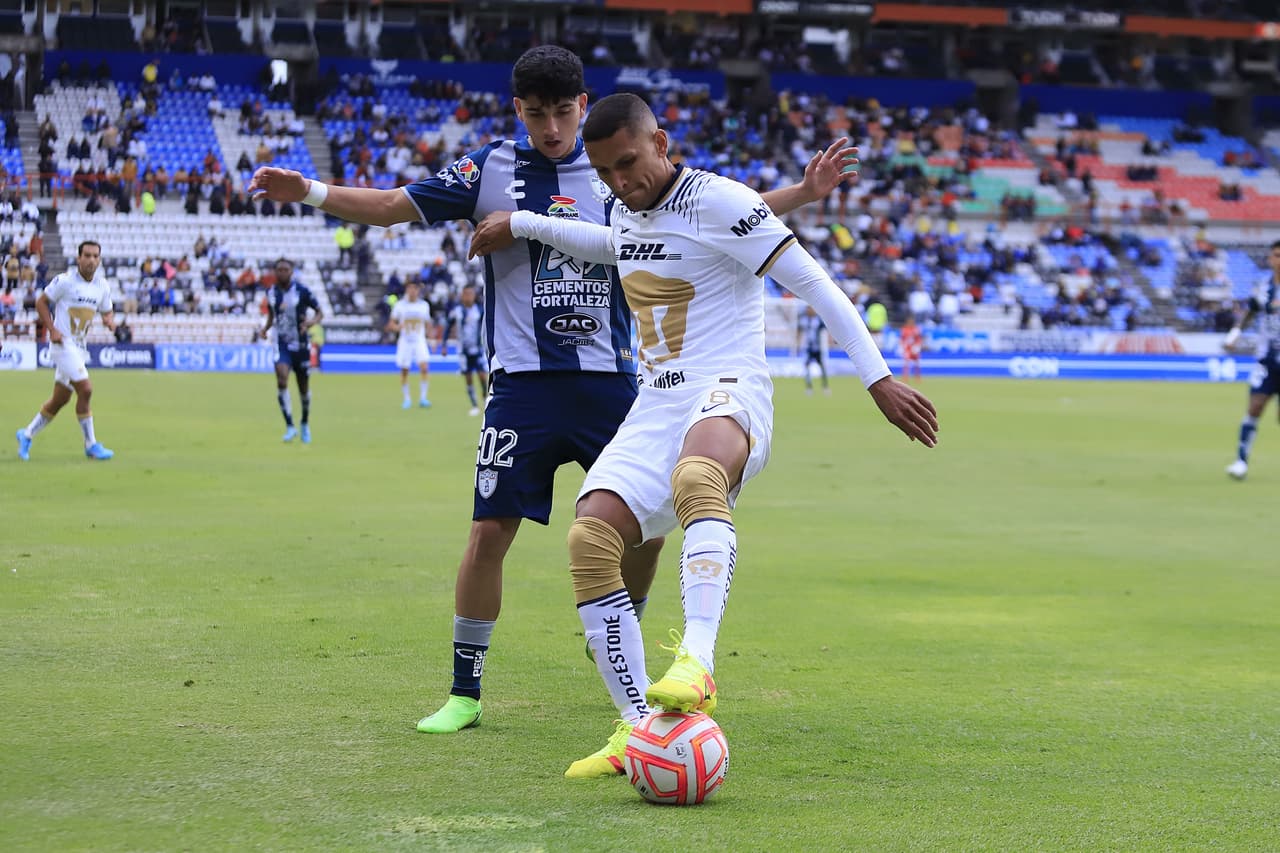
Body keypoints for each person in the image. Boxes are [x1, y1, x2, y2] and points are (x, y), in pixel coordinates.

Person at [246, 45, 856, 736]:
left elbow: (713, 222)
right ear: (518, 110)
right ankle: (464, 691)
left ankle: (621, 648)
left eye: (564, 112)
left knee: (647, 529)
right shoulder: (489, 168)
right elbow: (392, 204)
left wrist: (802, 196)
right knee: (487, 531)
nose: (553, 129)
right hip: (523, 385)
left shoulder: (613, 166)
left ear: (583, 105)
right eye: (538, 115)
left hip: (617, 381)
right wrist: (314, 193)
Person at [468, 93, 937, 778]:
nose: (619, 182)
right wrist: (527, 223)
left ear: (661, 142)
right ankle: (637, 728)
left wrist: (878, 379)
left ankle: (697, 658)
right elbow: (608, 243)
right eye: (604, 173)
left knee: (697, 479)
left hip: (730, 388)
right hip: (655, 405)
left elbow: (818, 285)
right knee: (590, 534)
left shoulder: (720, 200)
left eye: (628, 163)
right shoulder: (626, 207)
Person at [15, 241, 118, 462]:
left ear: (99, 260)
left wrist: (109, 321)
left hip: (80, 348)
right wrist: (51, 329)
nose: (91, 260)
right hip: (63, 345)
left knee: (59, 400)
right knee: (86, 389)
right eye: (87, 256)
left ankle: (26, 434)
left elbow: (107, 311)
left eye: (95, 256)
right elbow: (41, 302)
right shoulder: (65, 281)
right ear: (78, 258)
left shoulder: (102, 286)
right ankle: (91, 445)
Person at [1224, 240, 1280, 480]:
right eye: (1276, 255)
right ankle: (1241, 462)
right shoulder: (1264, 288)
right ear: (1270, 259)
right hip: (1267, 360)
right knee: (1255, 406)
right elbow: (1250, 313)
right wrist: (1234, 334)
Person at [258, 258, 322, 444]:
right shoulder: (271, 293)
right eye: (279, 269)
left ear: (292, 272)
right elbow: (272, 315)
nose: (282, 272)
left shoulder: (302, 291)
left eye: (286, 269)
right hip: (282, 343)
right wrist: (265, 329)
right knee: (282, 378)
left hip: (301, 345)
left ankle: (304, 422)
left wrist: (311, 322)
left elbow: (319, 312)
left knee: (303, 388)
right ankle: (289, 426)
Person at [386, 279, 433, 409]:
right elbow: (391, 324)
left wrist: (431, 338)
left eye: (415, 288)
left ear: (418, 290)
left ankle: (423, 397)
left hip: (419, 340)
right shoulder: (400, 305)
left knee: (424, 367)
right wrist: (397, 327)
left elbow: (428, 323)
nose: (412, 291)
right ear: (407, 290)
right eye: (410, 288)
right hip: (405, 341)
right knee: (405, 369)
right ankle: (407, 399)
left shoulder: (424, 305)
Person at [448, 284, 486, 416]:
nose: (468, 297)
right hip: (463, 351)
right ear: (462, 295)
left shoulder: (480, 310)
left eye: (470, 294)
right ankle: (474, 405)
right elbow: (448, 326)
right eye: (465, 294)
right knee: (468, 377)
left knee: (482, 375)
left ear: (474, 296)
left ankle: (485, 397)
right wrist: (443, 345)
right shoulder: (457, 311)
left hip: (477, 349)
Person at [796, 304, 830, 395]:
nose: (810, 311)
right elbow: (799, 331)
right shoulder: (803, 320)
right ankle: (809, 387)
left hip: (817, 348)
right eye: (808, 309)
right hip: (807, 348)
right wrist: (798, 344)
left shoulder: (818, 320)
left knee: (822, 367)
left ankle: (825, 386)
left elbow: (826, 330)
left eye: (811, 309)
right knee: (807, 367)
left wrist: (830, 341)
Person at [900, 315, 923, 383]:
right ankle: (905, 377)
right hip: (907, 348)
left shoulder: (916, 329)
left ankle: (917, 377)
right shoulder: (904, 329)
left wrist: (917, 347)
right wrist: (902, 347)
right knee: (906, 363)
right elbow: (902, 339)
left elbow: (919, 339)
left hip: (914, 348)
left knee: (917, 363)